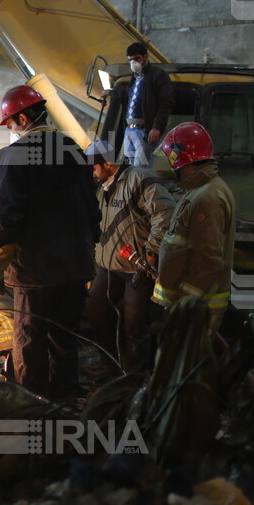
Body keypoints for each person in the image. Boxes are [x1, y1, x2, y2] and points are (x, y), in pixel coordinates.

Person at [0, 85, 100, 402]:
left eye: (10, 123)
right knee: (64, 345)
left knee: (30, 346)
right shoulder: (74, 150)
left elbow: (7, 217)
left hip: (35, 275)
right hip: (74, 272)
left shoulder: (14, 155)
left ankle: (30, 413)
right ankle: (62, 414)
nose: (10, 130)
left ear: (22, 117)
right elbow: (92, 210)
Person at [84, 140, 175, 374]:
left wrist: (151, 251)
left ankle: (134, 377)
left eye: (95, 168)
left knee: (134, 322)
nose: (93, 174)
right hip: (108, 266)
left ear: (109, 163)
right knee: (95, 308)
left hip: (137, 269)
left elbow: (165, 212)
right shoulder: (101, 187)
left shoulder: (139, 180)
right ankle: (113, 364)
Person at [153, 122, 236, 332]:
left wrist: (183, 301)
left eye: (169, 159)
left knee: (183, 364)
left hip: (197, 308)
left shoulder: (206, 197)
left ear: (180, 159)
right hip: (194, 305)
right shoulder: (197, 189)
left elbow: (209, 261)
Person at [104, 42, 174, 167]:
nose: (133, 63)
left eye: (136, 59)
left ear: (145, 57)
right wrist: (111, 92)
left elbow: (166, 103)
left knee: (140, 169)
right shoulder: (135, 78)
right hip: (130, 129)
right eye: (130, 60)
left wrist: (156, 126)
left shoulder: (157, 75)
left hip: (144, 130)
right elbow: (129, 97)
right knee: (131, 167)